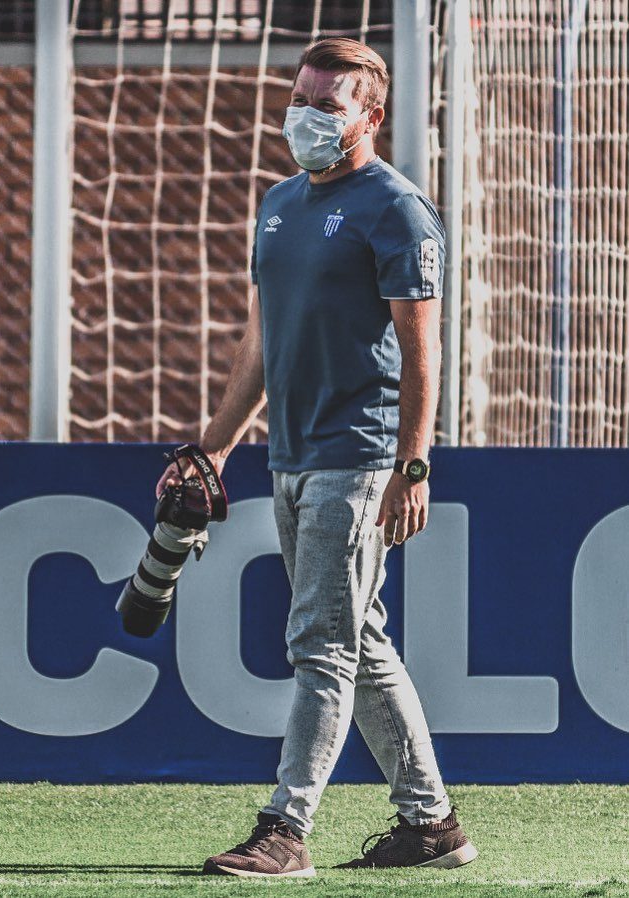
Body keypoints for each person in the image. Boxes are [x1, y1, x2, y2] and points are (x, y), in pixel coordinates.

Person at [156, 37, 477, 877]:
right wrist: (215, 447)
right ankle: (432, 824)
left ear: (371, 116)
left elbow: (422, 352)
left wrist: (413, 465)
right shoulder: (278, 205)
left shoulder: (396, 209)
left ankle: (286, 829)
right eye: (302, 97)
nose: (306, 115)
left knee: (322, 645)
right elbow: (261, 341)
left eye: (328, 104)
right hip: (291, 454)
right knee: (356, 640)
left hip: (359, 457)